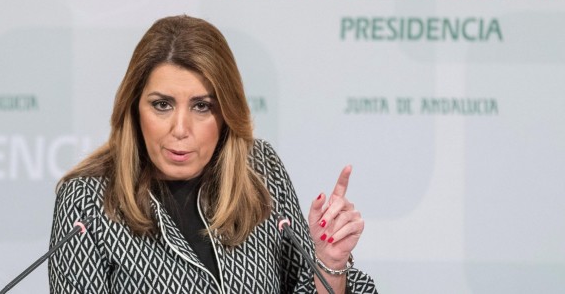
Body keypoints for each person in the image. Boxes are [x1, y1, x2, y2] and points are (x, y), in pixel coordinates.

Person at [48, 15, 378, 293]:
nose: (180, 128)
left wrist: (330, 265)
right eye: (162, 105)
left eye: (202, 106)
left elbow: (307, 286)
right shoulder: (86, 200)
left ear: (225, 113)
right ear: (133, 109)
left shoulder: (260, 169)